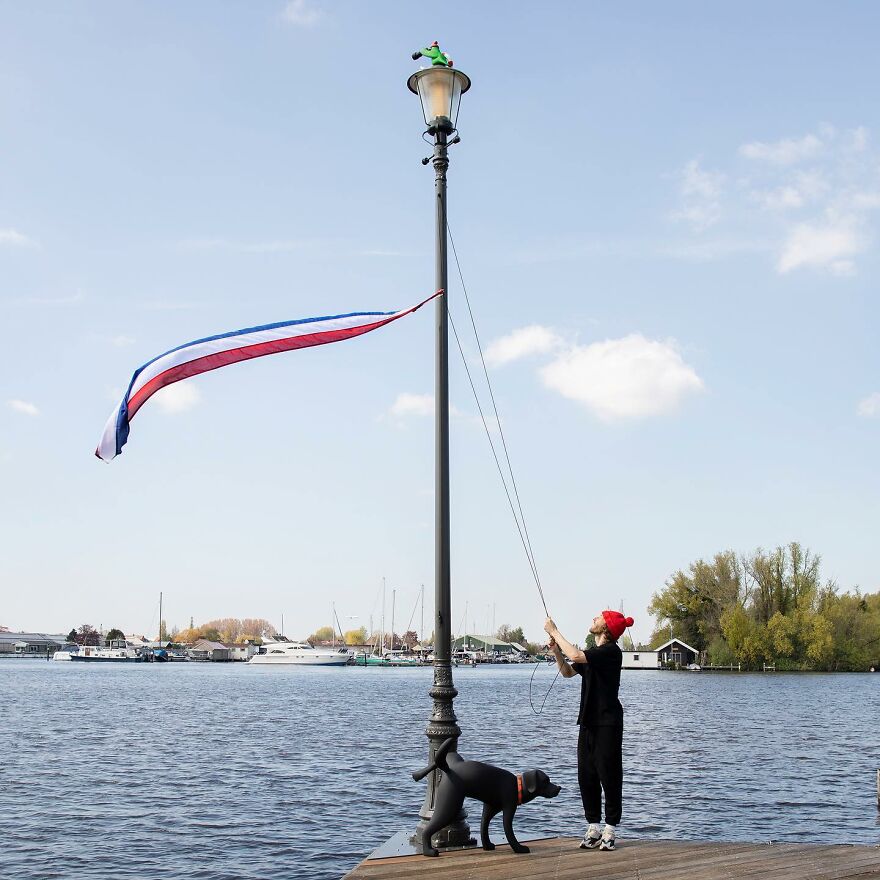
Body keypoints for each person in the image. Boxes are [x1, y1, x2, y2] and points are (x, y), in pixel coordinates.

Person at [543, 610, 634, 852]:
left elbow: (574, 653)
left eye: (600, 617)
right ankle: (593, 827)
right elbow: (567, 671)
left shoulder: (610, 652)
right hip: (588, 722)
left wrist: (554, 631)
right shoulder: (593, 655)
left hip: (608, 723)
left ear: (607, 628)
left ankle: (610, 829)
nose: (594, 617)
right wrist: (555, 651)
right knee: (587, 775)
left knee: (610, 774)